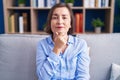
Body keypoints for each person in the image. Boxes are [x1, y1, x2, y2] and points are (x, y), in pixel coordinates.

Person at [36, 3, 90, 80]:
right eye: (55, 17)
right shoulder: (42, 45)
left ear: (70, 23)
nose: (59, 21)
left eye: (64, 17)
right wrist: (56, 49)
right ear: (50, 23)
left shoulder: (80, 45)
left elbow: (83, 76)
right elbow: (42, 78)